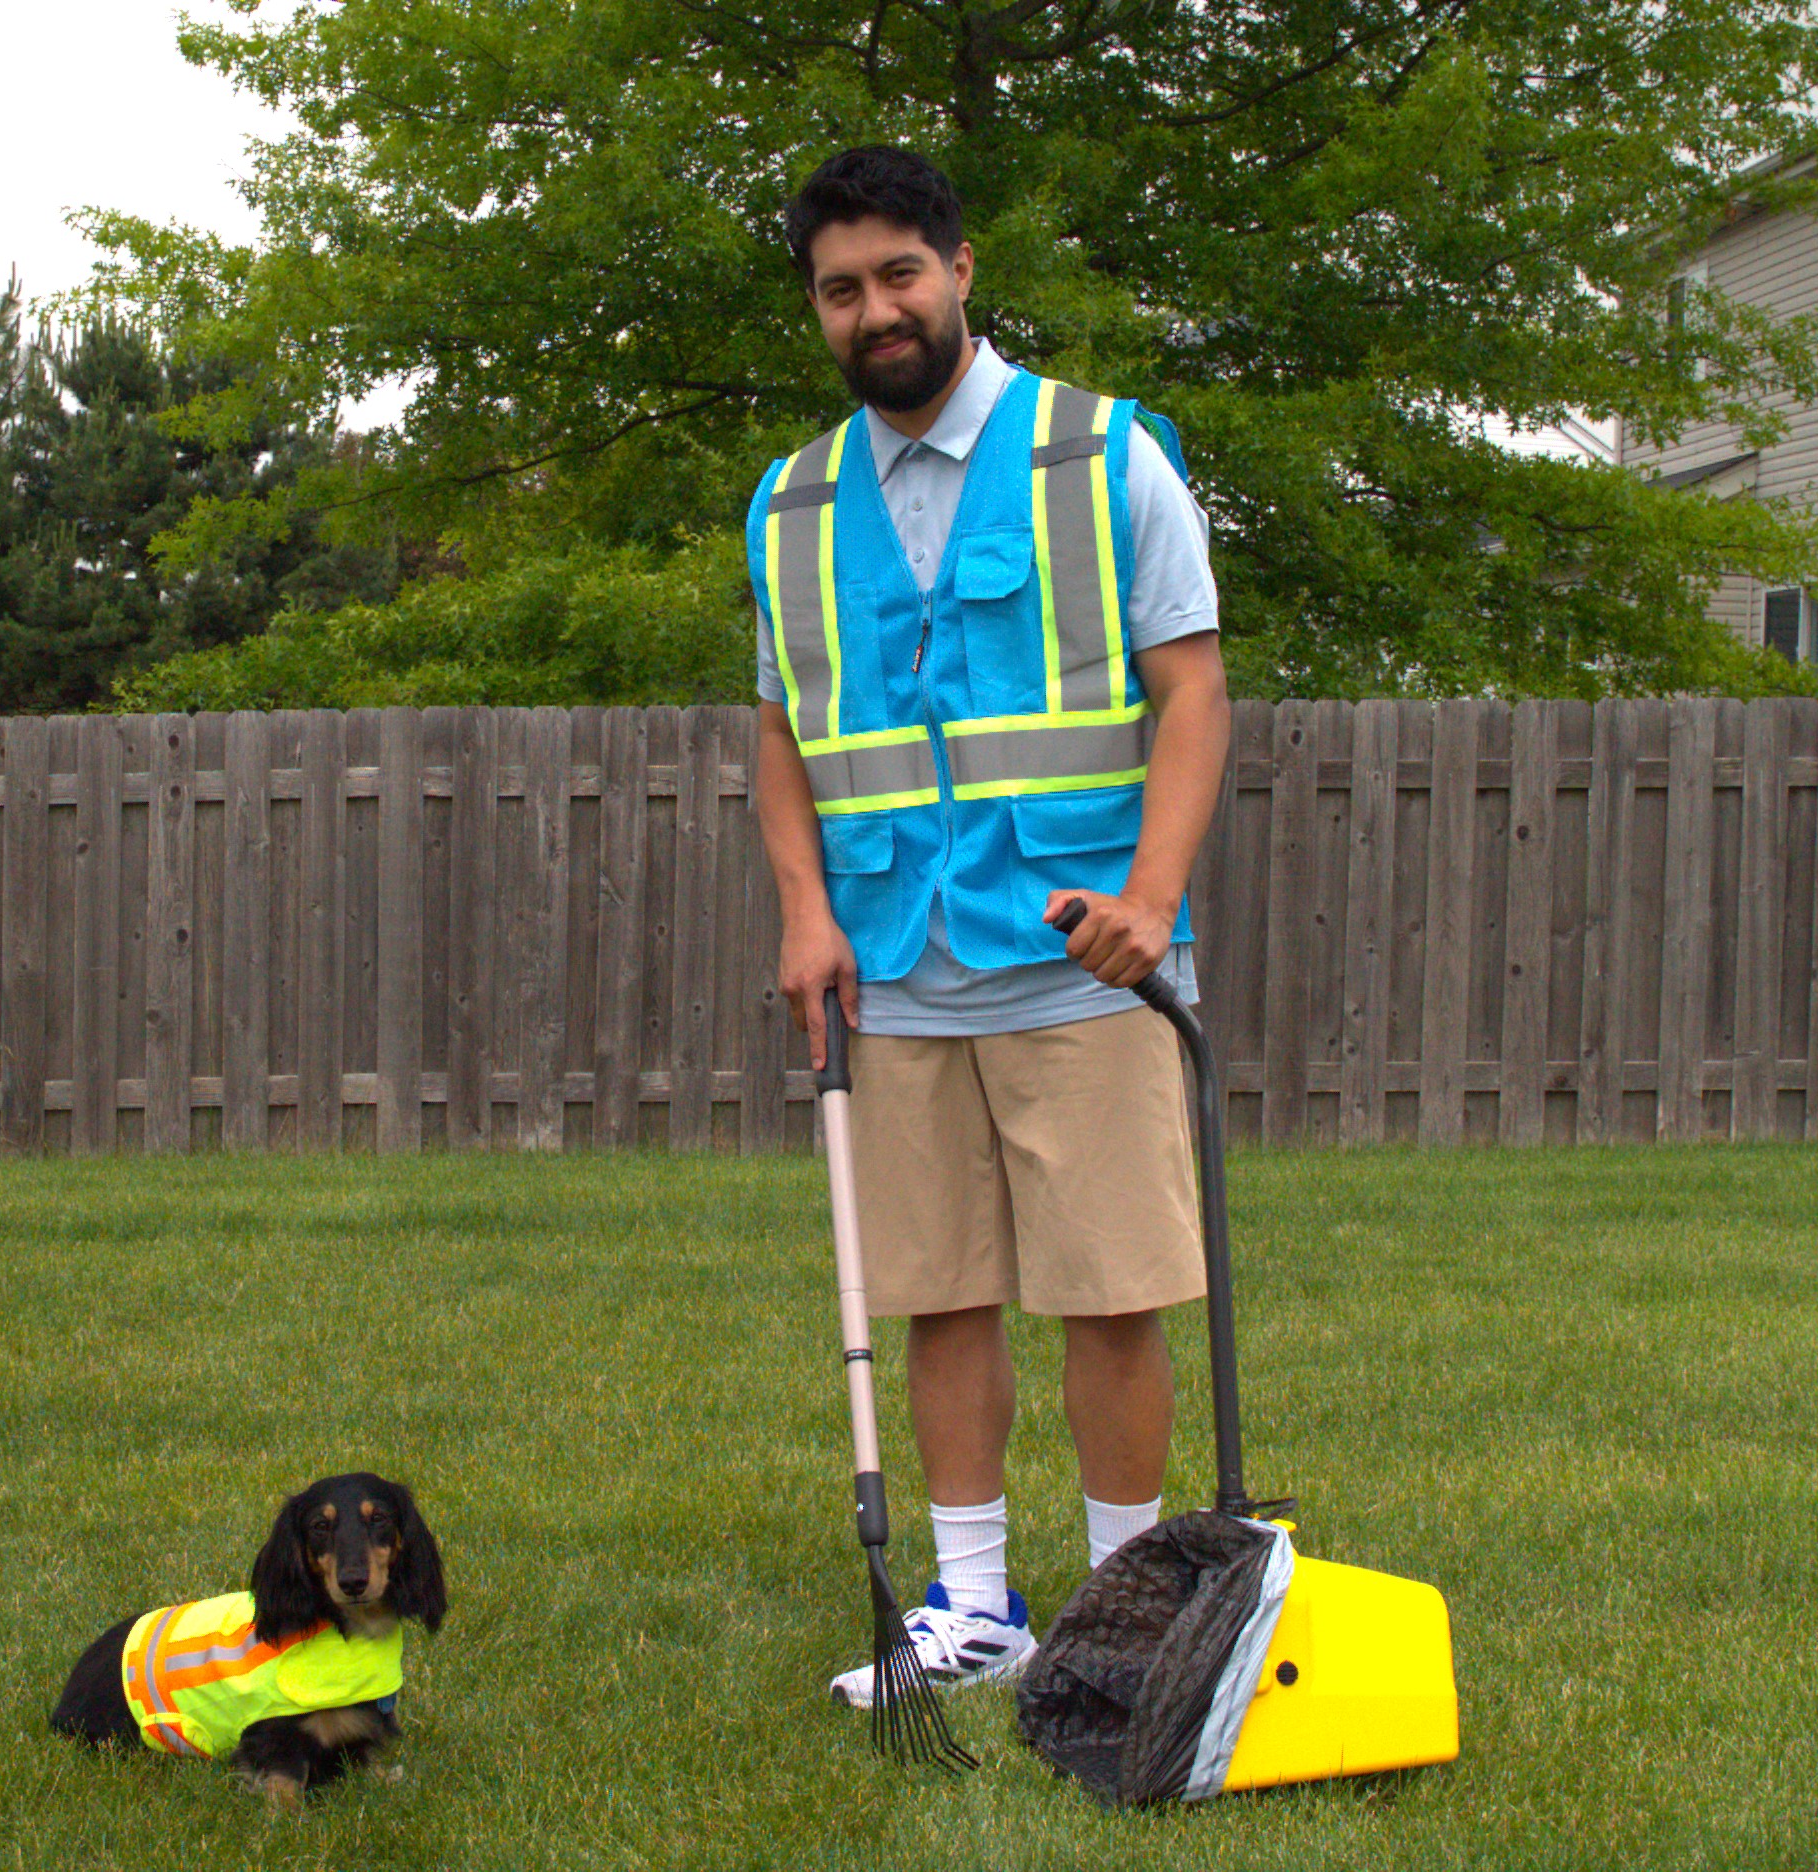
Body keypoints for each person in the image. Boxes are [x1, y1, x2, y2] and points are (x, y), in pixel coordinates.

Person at [747, 146, 1231, 1707]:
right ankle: (972, 1609)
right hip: (894, 963)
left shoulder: (1105, 457)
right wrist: (807, 917)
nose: (875, 309)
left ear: (961, 267)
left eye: (899, 273)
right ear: (817, 311)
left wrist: (1153, 906)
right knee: (939, 1289)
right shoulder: (793, 501)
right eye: (842, 288)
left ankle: (1124, 1603)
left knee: (1109, 1289)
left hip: (1083, 953)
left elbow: (1195, 692)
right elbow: (780, 732)